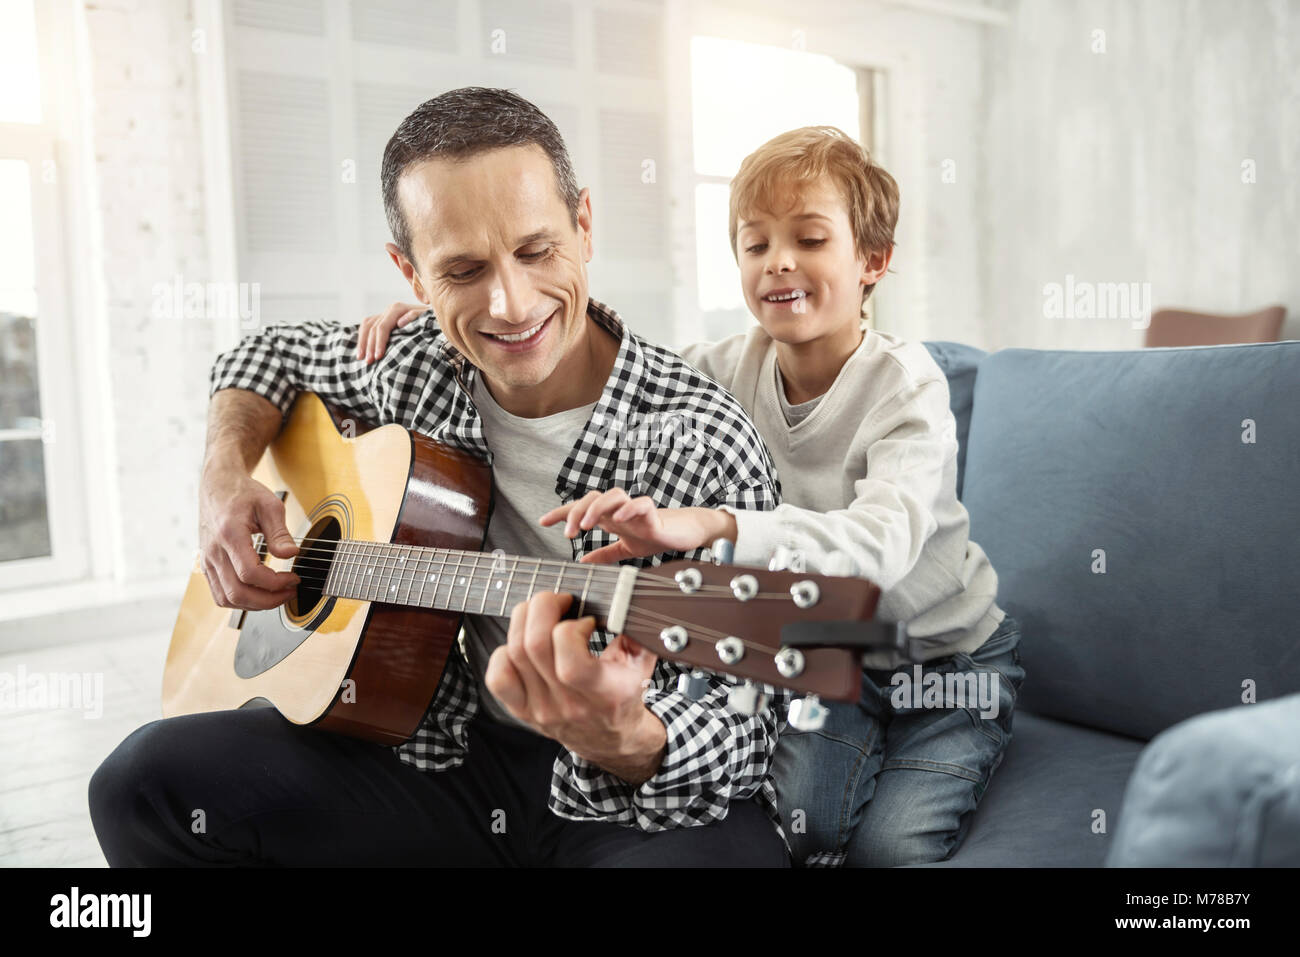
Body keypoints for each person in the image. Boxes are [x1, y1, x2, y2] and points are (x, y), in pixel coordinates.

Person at [87, 87, 790, 867]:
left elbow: (745, 731)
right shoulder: (419, 358)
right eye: (462, 268)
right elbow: (263, 357)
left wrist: (627, 736)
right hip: (453, 753)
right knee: (139, 783)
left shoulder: (702, 439)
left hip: (632, 798)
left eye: (536, 250)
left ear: (584, 225)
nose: (510, 303)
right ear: (411, 274)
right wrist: (222, 481)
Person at [360, 126, 1025, 867]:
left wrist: (715, 524)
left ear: (873, 260)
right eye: (756, 243)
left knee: (893, 844)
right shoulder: (715, 368)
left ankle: (981, 717)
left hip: (942, 652)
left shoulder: (907, 386)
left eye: (809, 239)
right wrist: (467, 323)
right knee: (807, 822)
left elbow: (879, 550)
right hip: (834, 654)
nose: (779, 262)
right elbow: (592, 350)